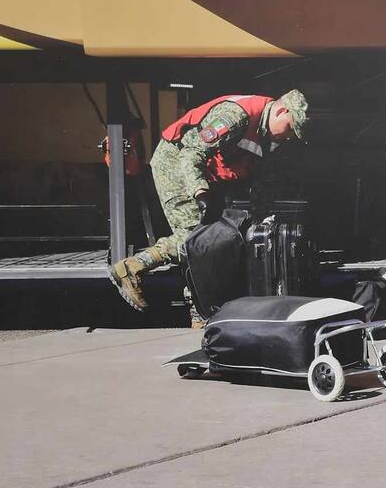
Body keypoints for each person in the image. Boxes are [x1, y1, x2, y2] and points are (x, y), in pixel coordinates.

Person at [109, 90, 308, 325]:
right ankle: (133, 268)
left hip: (206, 175)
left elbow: (261, 179)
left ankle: (201, 312)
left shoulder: (268, 134)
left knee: (210, 240)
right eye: (289, 128)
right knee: (197, 239)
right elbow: (190, 154)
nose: (287, 138)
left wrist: (261, 217)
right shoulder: (236, 116)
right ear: (281, 111)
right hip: (175, 165)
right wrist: (199, 192)